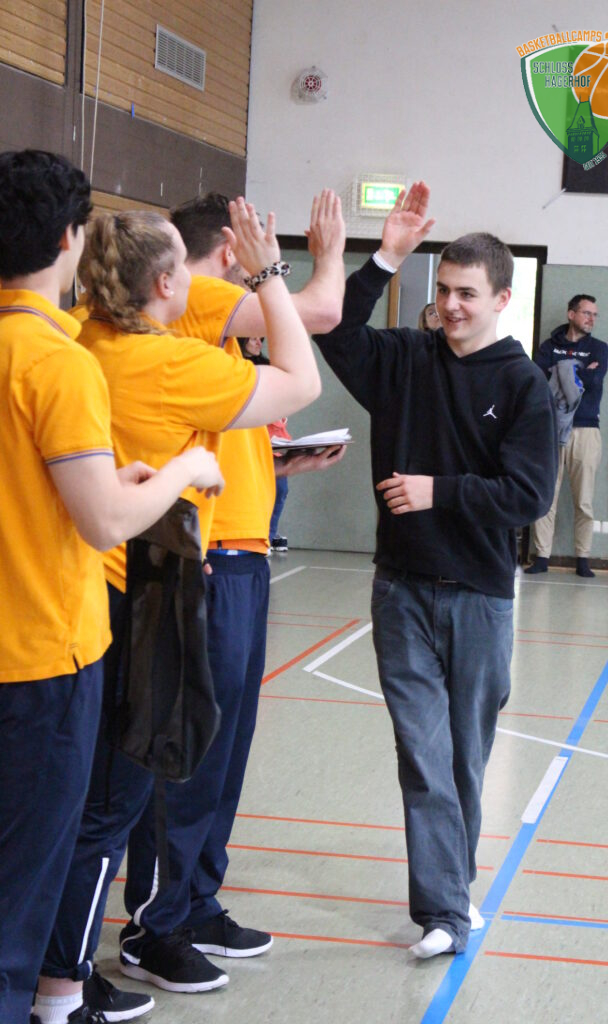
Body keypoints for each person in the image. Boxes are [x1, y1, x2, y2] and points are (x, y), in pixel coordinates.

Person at [35, 199, 322, 1021]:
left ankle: (57, 969)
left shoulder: (78, 340)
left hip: (80, 590)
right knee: (111, 804)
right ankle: (62, 985)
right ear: (167, 283)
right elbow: (300, 378)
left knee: (73, 797)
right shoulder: (165, 362)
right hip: (139, 595)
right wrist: (269, 275)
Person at [0, 150, 223, 1024]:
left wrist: (107, 479)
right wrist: (181, 473)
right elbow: (102, 524)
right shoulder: (55, 361)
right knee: (19, 899)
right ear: (66, 239)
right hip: (39, 661)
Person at [313, 182, 557, 959]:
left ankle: (453, 890)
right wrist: (384, 257)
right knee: (421, 756)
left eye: (466, 294)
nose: (450, 305)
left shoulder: (522, 385)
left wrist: (437, 491)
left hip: (479, 598)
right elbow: (334, 328)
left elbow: (527, 496)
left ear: (500, 300)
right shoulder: (403, 360)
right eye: (443, 289)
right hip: (400, 590)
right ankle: (444, 912)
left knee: (462, 759)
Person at [118, 190, 346, 993]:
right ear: (224, 247)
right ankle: (155, 923)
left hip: (243, 553)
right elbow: (321, 314)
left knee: (225, 750)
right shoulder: (200, 299)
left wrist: (282, 464)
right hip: (204, 557)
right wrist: (317, 260)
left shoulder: (216, 330)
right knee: (188, 753)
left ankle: (195, 899)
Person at [525, 294, 608, 578]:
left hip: (586, 429)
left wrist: (561, 371)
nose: (591, 319)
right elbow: (540, 382)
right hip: (550, 429)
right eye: (586, 313)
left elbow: (594, 381)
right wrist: (578, 372)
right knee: (547, 495)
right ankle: (542, 557)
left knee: (584, 500)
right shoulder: (549, 346)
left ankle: (582, 558)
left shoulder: (599, 348)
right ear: (571, 314)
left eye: (595, 314)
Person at [238, 336, 292, 551]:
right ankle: (259, 534)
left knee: (280, 488)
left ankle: (269, 533)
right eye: (252, 338)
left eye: (260, 338)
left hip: (273, 437)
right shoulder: (236, 367)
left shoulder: (268, 366)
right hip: (247, 436)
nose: (258, 342)